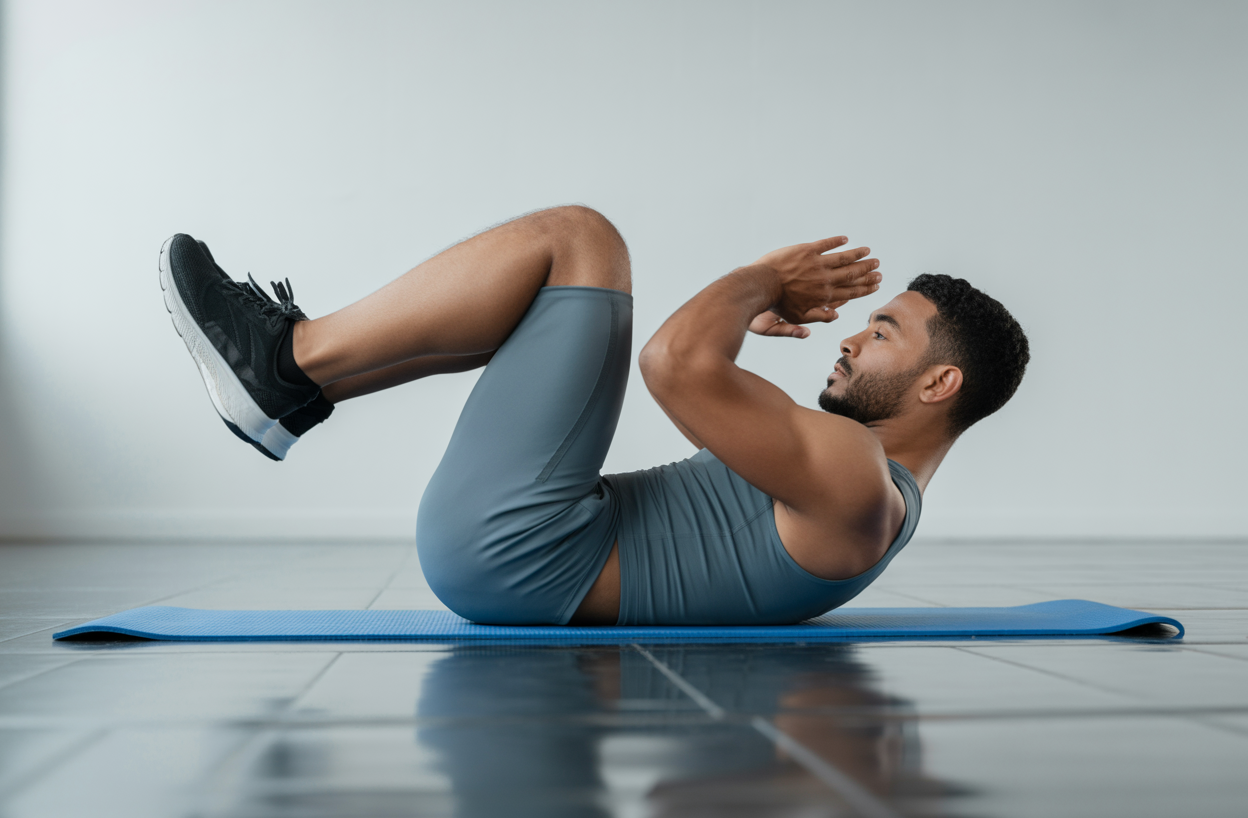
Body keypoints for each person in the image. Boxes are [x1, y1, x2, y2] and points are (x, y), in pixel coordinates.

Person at [159, 205, 1028, 626]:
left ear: (938, 385)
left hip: (522, 553)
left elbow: (672, 364)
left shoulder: (855, 478)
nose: (848, 342)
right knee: (542, 303)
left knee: (582, 241)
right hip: (529, 552)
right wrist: (731, 320)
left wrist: (763, 279)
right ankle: (297, 387)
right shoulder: (870, 493)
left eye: (881, 334)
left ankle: (289, 364)